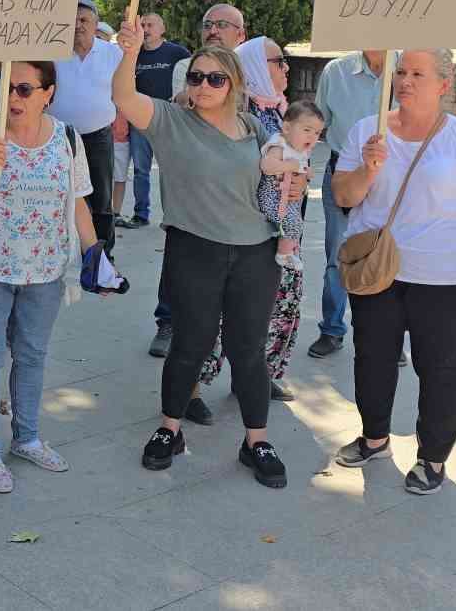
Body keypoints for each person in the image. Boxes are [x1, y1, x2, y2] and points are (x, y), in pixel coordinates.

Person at [113, 26, 288, 488]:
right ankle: (169, 429)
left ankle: (257, 441)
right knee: (190, 344)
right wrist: (129, 54)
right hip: (194, 250)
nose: (203, 86)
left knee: (248, 351)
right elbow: (125, 98)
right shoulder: (171, 121)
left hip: (256, 254)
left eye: (215, 79)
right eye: (195, 77)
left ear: (234, 84)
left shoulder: (253, 128)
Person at [331, 49, 456, 495]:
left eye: (417, 74)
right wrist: (368, 169)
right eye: (401, 72)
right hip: (376, 272)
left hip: (445, 278)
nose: (405, 81)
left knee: (442, 369)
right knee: (371, 358)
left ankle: (432, 458)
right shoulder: (366, 132)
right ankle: (374, 438)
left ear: (444, 84)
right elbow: (344, 197)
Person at [0, 60, 99, 493]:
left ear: (48, 93)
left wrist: (94, 257)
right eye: (7, 87)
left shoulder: (68, 138)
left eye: (24, 89)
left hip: (46, 270)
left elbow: (77, 202)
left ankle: (28, 438)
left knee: (32, 355)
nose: (13, 97)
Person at [188, 38, 310, 414]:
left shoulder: (282, 109)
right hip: (235, 233)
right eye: (279, 61)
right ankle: (190, 390)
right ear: (256, 66)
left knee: (271, 310)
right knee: (210, 317)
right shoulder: (237, 111)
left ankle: (254, 378)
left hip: (277, 232)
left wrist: (302, 180)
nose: (286, 69)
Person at [151, 2, 248, 359]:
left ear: (241, 34)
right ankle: (168, 321)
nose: (213, 29)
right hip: (190, 179)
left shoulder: (251, 67)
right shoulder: (185, 67)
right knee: (180, 253)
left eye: (223, 24)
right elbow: (183, 101)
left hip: (235, 186)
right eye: (208, 23)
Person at [307, 50, 390, 360]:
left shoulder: (405, 70)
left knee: (387, 253)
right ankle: (331, 329)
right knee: (338, 255)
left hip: (391, 177)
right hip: (342, 171)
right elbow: (317, 123)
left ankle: (387, 334)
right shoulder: (336, 71)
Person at [48, 0, 121, 254]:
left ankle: (102, 255)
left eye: (84, 20)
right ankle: (67, 249)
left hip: (98, 136)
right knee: (62, 194)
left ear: (95, 24)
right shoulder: (51, 53)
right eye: (73, 20)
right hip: (59, 138)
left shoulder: (113, 53)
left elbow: (124, 92)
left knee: (101, 197)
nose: (78, 25)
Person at [117, 12, 189, 231]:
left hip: (169, 119)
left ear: (162, 29)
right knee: (140, 170)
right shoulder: (134, 54)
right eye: (144, 24)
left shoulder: (177, 52)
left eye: (151, 25)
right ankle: (141, 214)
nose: (146, 29)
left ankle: (174, 218)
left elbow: (191, 74)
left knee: (172, 170)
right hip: (140, 120)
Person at [260, 101, 322, 271]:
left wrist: (306, 172)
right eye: (307, 130)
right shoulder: (280, 146)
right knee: (294, 223)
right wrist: (290, 166)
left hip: (288, 199)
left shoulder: (299, 150)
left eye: (317, 133)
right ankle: (283, 254)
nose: (312, 137)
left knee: (297, 223)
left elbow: (300, 169)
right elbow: (266, 166)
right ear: (287, 128)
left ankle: (287, 251)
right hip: (273, 198)